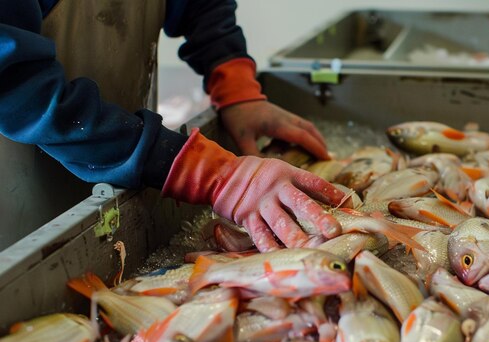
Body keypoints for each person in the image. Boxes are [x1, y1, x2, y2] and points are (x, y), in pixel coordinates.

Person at [0, 0, 346, 251]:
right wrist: (209, 173)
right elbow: (17, 86)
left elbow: (201, 6)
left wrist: (237, 87)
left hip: (133, 168)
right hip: (21, 203)